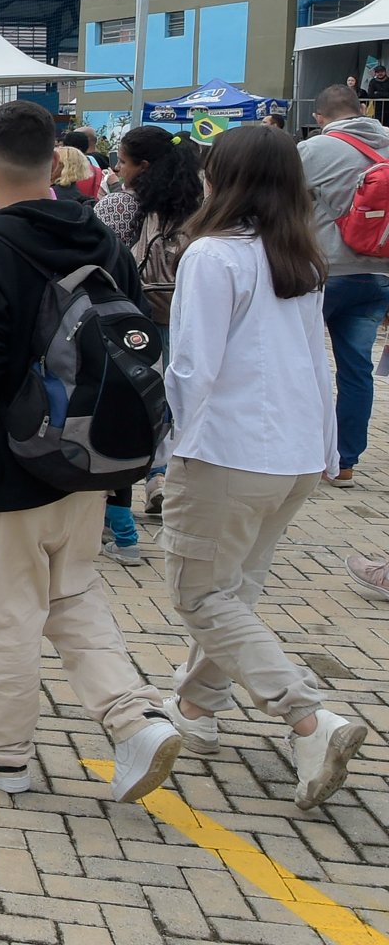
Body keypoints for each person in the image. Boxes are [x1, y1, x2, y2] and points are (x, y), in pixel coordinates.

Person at [0, 99, 182, 804]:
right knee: (71, 592)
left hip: (9, 457)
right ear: (56, 163)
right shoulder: (102, 238)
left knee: (3, 608)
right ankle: (135, 720)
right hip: (91, 454)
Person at [152, 123, 365, 806]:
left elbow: (192, 367)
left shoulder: (213, 255)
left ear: (223, 178)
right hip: (293, 453)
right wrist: (328, 447)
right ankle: (196, 708)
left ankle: (307, 717)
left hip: (226, 451)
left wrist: (170, 449)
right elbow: (316, 363)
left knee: (201, 594)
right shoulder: (300, 255)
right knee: (233, 590)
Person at [94, 125, 205, 524]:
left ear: (142, 165)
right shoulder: (200, 207)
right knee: (169, 396)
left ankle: (121, 483)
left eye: (122, 162)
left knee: (130, 399)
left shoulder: (119, 206)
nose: (117, 170)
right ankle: (160, 474)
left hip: (129, 316)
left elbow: (100, 261)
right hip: (183, 313)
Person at [300, 83, 389, 488]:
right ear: (363, 109)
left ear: (319, 117)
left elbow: (279, 202)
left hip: (325, 273)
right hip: (378, 277)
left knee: (301, 364)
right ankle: (345, 462)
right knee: (357, 371)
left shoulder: (314, 150)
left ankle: (303, 453)